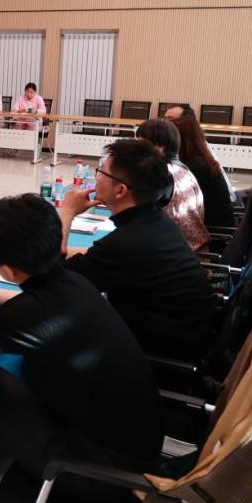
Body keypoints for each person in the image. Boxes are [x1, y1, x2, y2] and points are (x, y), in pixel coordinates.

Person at [0, 194, 164, 503]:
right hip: (135, 449)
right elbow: (34, 305)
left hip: (100, 473)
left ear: (7, 271)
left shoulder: (31, 312)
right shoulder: (74, 282)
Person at [59, 139, 218, 361]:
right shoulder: (156, 220)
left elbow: (57, 279)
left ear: (120, 190)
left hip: (158, 356)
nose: (96, 177)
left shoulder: (125, 243)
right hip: (191, 337)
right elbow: (99, 261)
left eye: (101, 171)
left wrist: (67, 212)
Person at [136, 118, 210, 252]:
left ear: (160, 146)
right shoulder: (182, 169)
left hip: (175, 255)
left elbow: (137, 214)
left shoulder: (161, 174)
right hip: (194, 251)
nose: (136, 149)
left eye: (141, 144)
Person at [170, 115, 236, 227]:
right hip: (215, 222)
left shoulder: (196, 166)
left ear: (181, 140)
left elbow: (172, 196)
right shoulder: (201, 158)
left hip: (213, 228)